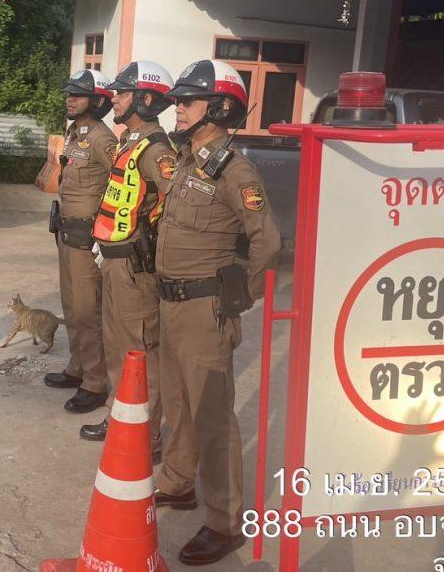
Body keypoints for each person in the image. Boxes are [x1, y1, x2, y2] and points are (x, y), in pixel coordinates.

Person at [152, 59, 281, 565]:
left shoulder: (235, 170)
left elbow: (266, 242)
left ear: (221, 107)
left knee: (212, 417)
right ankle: (178, 481)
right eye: (178, 101)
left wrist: (238, 295)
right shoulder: (188, 160)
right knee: (178, 404)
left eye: (188, 101)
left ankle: (225, 522)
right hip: (171, 304)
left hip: (206, 309)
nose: (178, 108)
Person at [79, 61, 178, 465]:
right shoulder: (129, 141)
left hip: (136, 269)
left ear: (145, 99)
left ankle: (147, 435)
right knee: (118, 347)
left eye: (121, 93)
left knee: (141, 352)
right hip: (114, 261)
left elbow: (177, 203)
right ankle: (119, 418)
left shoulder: (156, 150)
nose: (114, 99)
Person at [42, 69, 117, 414]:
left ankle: (95, 382)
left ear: (98, 101)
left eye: (78, 94)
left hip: (89, 240)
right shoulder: (75, 134)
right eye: (69, 93)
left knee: (89, 311)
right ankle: (77, 367)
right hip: (67, 234)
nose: (70, 99)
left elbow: (124, 184)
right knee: (72, 307)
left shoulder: (103, 140)